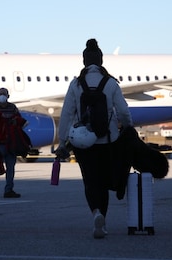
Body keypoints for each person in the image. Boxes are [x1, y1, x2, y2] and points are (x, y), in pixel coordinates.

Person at [55, 38, 133, 239]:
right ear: (101, 61)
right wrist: (128, 127)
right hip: (108, 140)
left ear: (84, 61)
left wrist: (62, 141)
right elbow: (123, 111)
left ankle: (95, 213)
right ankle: (103, 221)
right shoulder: (110, 83)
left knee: (90, 181)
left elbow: (66, 113)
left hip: (83, 141)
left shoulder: (76, 83)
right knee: (104, 182)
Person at [0, 87, 25, 198]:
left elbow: (19, 119)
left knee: (10, 168)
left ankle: (8, 189)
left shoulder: (12, 107)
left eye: (4, 94)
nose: (2, 96)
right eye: (1, 94)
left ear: (7, 96)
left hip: (11, 142)